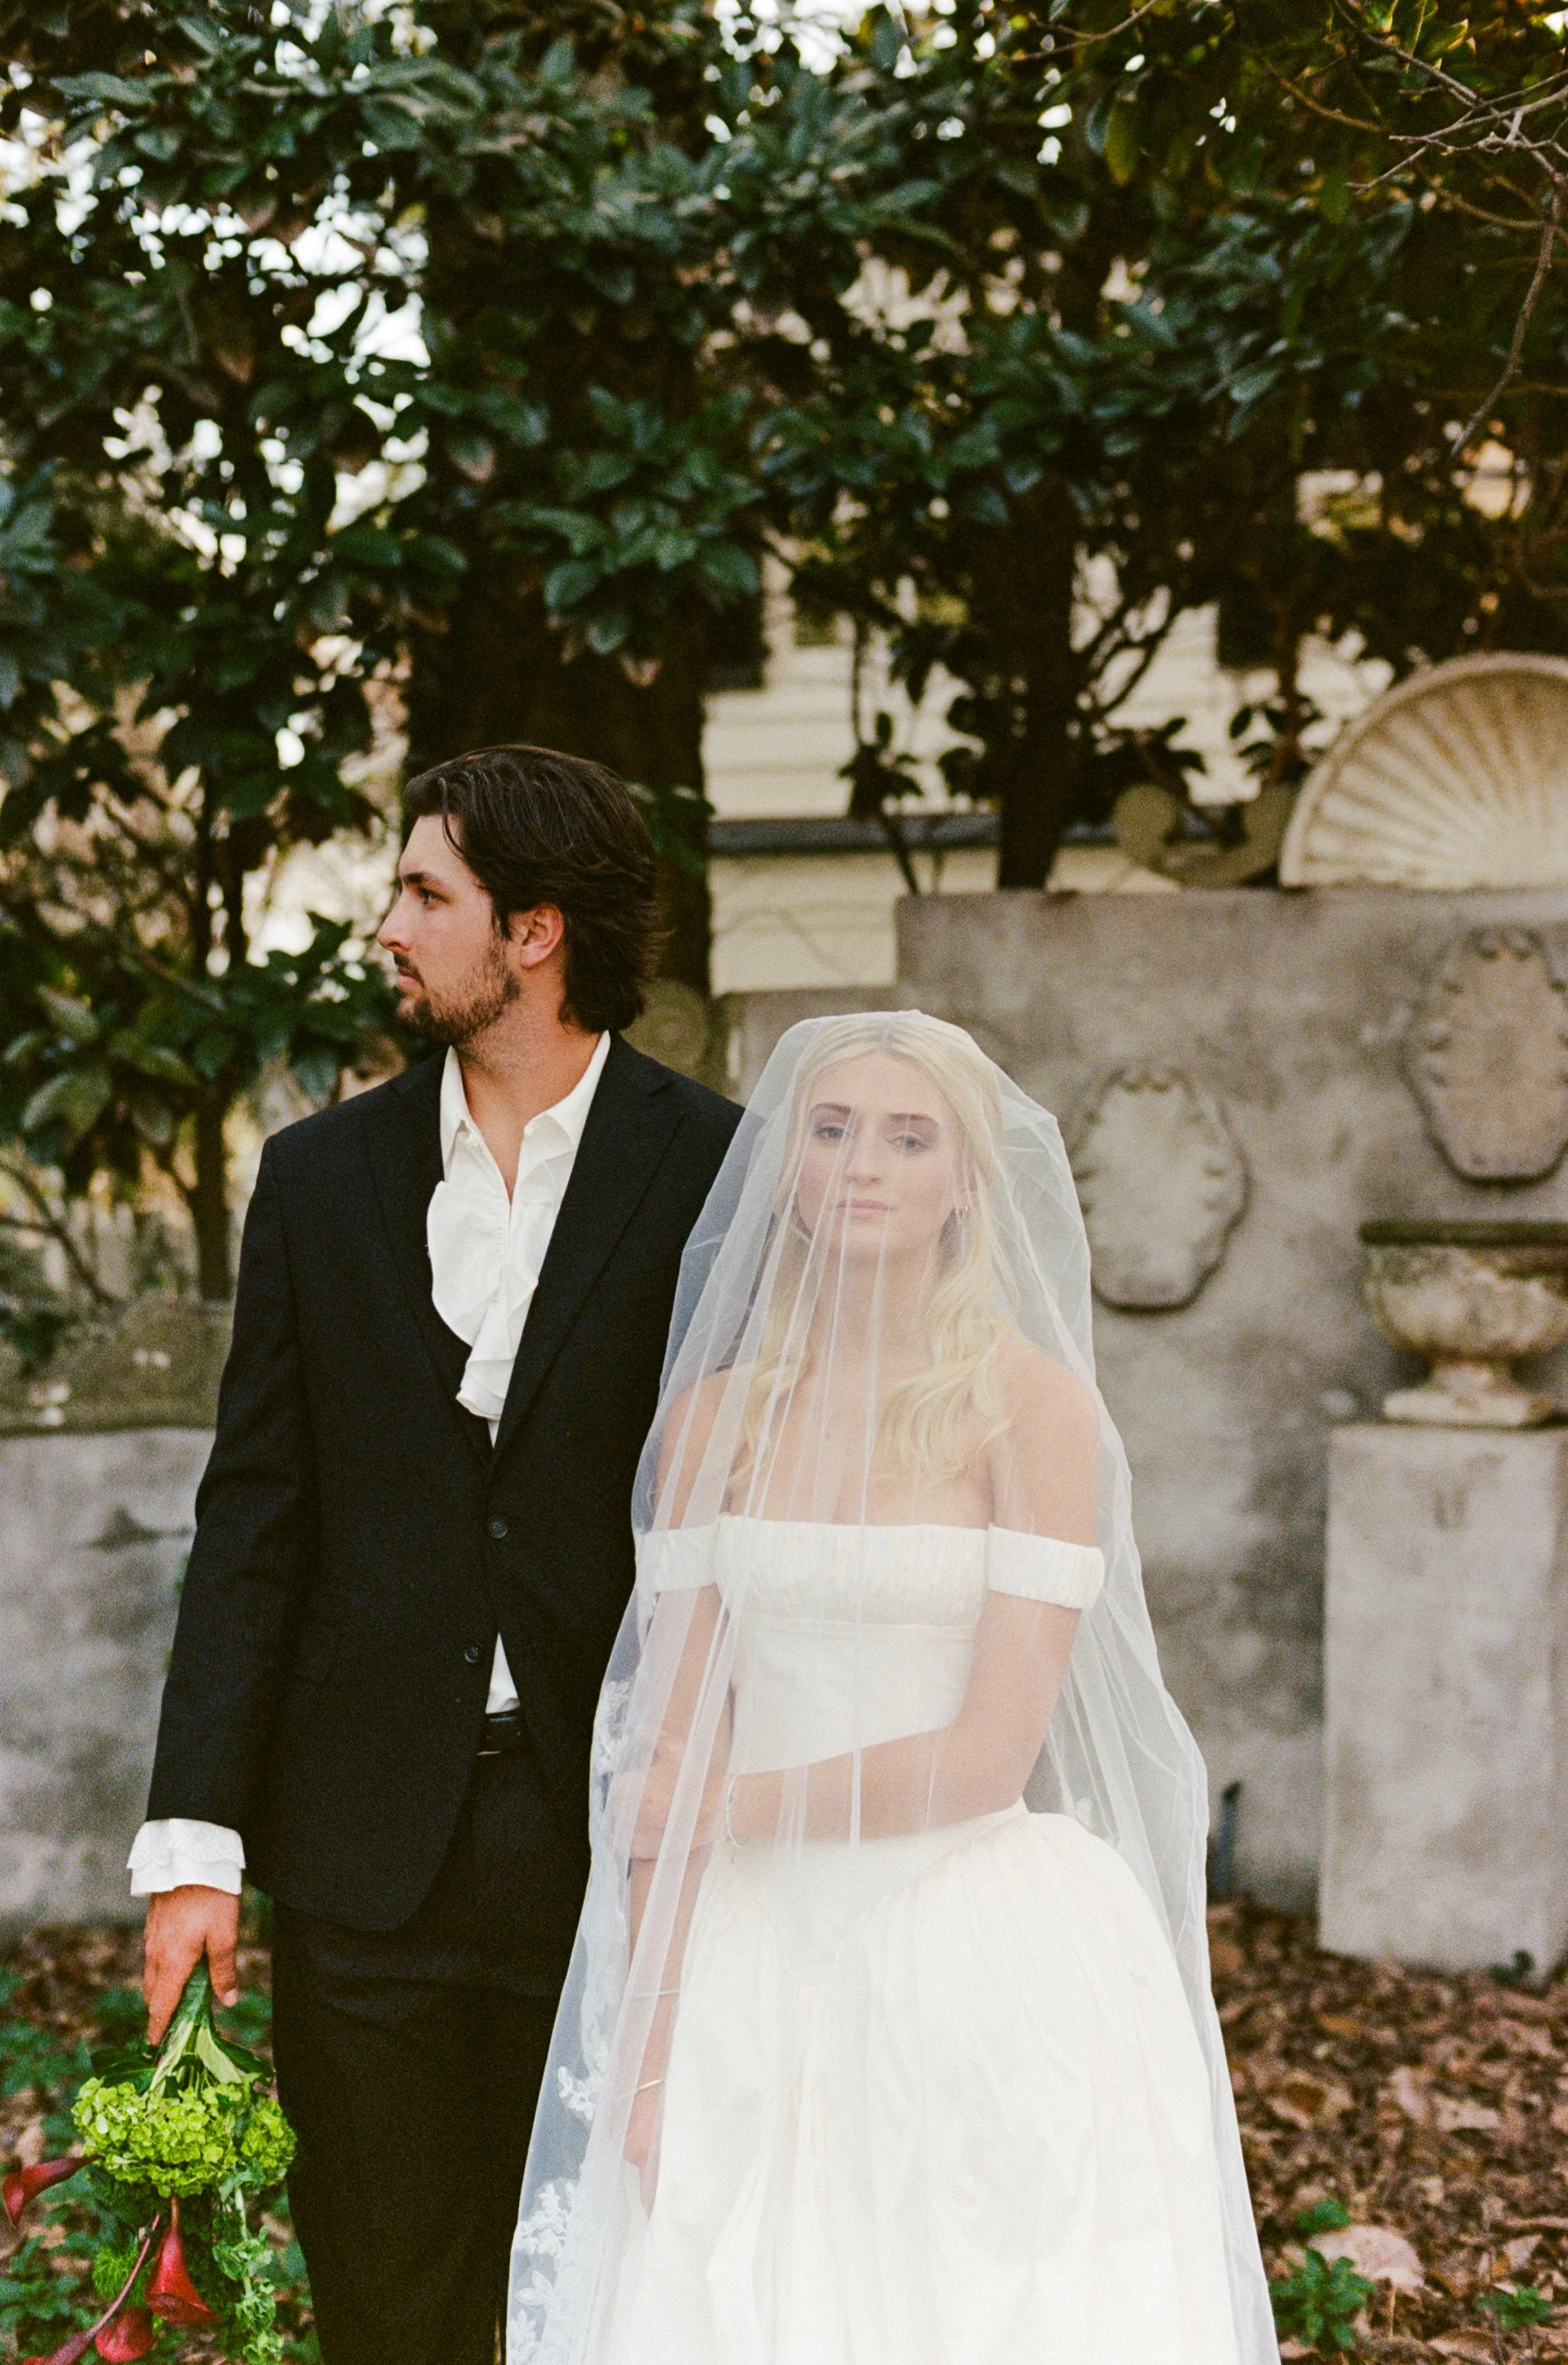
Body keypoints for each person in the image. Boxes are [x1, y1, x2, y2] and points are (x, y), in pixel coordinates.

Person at [509, 1011, 1279, 2365]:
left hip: (962, 1942)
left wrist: (722, 1803)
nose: (863, 1164)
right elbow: (665, 1742)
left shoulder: (1030, 1412)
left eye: (908, 1137)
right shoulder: (713, 1419)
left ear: (964, 1183)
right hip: (742, 1956)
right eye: (831, 1128)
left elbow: (987, 1753)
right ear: (787, 1171)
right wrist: (652, 2036)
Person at [131, 744, 741, 2365]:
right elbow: (253, 1519)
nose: (387, 928)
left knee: (596, 2304)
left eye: (424, 894)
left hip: (612, 1844)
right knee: (389, 2312)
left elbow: (742, 1523)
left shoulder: (720, 1174)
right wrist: (195, 1842)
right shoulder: (319, 1180)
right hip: (364, 1851)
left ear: (533, 929)